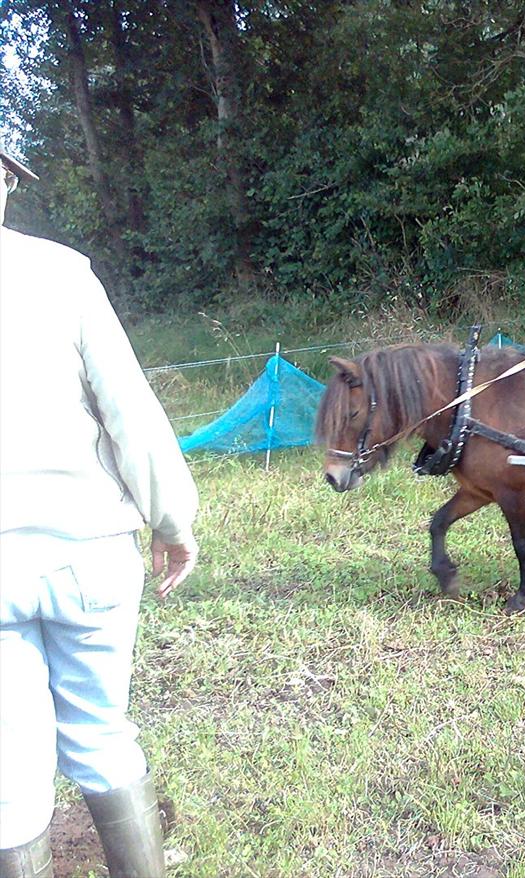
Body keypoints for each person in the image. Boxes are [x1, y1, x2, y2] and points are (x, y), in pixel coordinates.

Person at [0, 148, 199, 877]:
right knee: (100, 734)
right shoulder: (63, 274)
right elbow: (132, 416)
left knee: (7, 778)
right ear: (8, 181)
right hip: (89, 553)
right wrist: (173, 524)